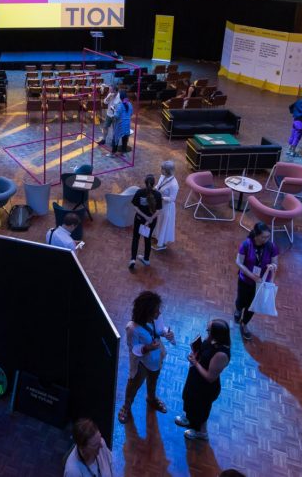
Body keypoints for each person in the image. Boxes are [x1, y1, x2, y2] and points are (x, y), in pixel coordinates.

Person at [117, 291, 175, 424]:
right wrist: (148, 348)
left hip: (155, 358)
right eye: (155, 312)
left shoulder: (156, 317)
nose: (159, 314)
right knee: (134, 385)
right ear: (145, 313)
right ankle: (126, 406)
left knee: (153, 379)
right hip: (141, 363)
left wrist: (167, 333)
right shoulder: (132, 328)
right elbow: (133, 348)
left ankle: (151, 398)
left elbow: (160, 329)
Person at [175, 319, 231, 441]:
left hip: (205, 388)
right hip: (196, 379)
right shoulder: (211, 340)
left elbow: (210, 377)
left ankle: (201, 432)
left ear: (216, 334)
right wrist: (195, 354)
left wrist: (195, 362)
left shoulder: (221, 355)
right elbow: (203, 354)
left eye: (209, 330)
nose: (207, 332)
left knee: (200, 409)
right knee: (189, 399)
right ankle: (189, 419)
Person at [234, 222, 279, 341]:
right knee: (241, 300)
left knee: (252, 306)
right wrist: (251, 275)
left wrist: (273, 266)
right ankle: (238, 309)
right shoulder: (246, 244)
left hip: (260, 284)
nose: (266, 239)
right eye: (264, 237)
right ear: (256, 235)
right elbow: (238, 262)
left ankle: (244, 324)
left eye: (268, 237)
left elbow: (275, 262)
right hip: (245, 280)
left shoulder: (271, 246)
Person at [128, 175, 162, 271]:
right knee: (147, 239)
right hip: (151, 222)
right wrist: (150, 219)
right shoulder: (158, 195)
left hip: (139, 219)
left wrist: (144, 216)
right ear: (154, 183)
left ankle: (133, 259)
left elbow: (135, 207)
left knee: (136, 238)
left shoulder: (139, 192)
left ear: (145, 182)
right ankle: (146, 259)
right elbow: (158, 210)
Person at [152, 160, 179, 251]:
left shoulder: (174, 184)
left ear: (167, 171)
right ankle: (156, 236)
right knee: (158, 221)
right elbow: (158, 186)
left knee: (164, 223)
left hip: (167, 207)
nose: (161, 170)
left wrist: (161, 198)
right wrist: (154, 189)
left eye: (162, 169)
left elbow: (172, 199)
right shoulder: (162, 176)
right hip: (160, 204)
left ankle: (161, 243)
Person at [107, 89, 132, 158]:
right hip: (127, 125)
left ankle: (113, 153)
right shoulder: (130, 104)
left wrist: (113, 110)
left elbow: (116, 116)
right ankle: (123, 153)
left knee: (116, 139)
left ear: (120, 98)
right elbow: (131, 113)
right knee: (125, 139)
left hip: (120, 124)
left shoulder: (120, 106)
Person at [287, 92, 302, 157]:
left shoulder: (298, 101)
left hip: (295, 121)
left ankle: (289, 150)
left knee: (292, 135)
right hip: (301, 122)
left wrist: (293, 113)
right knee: (297, 137)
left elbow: (290, 106)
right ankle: (292, 151)